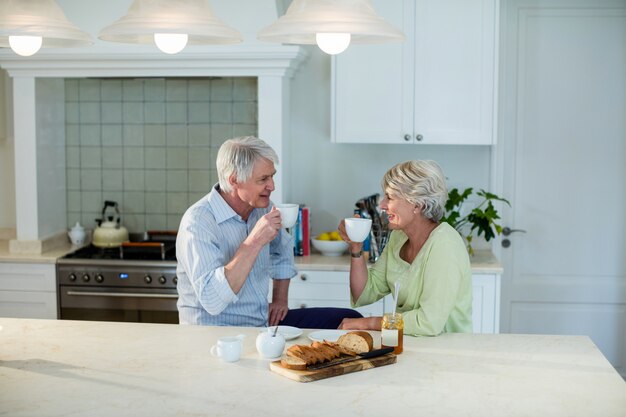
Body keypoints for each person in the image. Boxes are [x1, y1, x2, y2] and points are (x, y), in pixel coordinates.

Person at [176, 136, 362, 328]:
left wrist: (280, 299)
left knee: (351, 320)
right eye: (263, 179)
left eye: (272, 176)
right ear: (234, 180)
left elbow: (283, 251)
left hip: (261, 324)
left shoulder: (263, 208)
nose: (272, 186)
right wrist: (254, 241)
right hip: (215, 335)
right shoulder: (198, 222)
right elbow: (212, 300)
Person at [337, 160, 472, 336]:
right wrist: (356, 248)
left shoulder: (445, 245)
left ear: (417, 204)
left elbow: (428, 323)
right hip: (409, 344)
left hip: (446, 351)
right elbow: (364, 292)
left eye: (390, 198)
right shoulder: (399, 237)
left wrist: (369, 322)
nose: (382, 205)